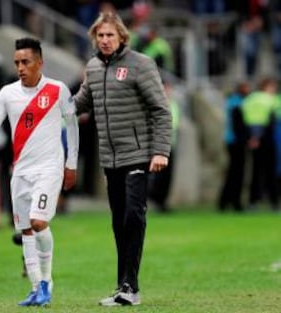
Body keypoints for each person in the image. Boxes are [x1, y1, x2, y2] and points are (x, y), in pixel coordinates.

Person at [0, 38, 79, 306]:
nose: (20, 67)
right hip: (20, 171)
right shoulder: (7, 93)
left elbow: (72, 127)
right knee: (25, 231)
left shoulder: (57, 91)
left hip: (49, 169)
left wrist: (71, 164)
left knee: (38, 222)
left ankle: (47, 281)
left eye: (26, 62)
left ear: (39, 62)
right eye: (17, 63)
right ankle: (37, 289)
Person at [74, 12, 171, 306]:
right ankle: (125, 288)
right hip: (110, 159)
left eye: (110, 35)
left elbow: (161, 110)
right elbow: (81, 102)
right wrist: (53, 103)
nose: (104, 40)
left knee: (133, 216)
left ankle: (130, 286)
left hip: (139, 155)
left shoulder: (141, 65)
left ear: (121, 38)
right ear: (95, 37)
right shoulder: (92, 68)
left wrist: (160, 151)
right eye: (100, 36)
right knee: (119, 222)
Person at [242, 78, 278, 210]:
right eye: (272, 87)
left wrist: (252, 137)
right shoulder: (269, 100)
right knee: (270, 172)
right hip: (265, 138)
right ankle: (273, 201)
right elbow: (268, 118)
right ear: (266, 87)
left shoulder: (250, 99)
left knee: (255, 172)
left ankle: (253, 201)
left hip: (253, 139)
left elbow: (247, 118)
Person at [218, 81, 250, 212]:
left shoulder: (232, 102)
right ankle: (234, 202)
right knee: (237, 173)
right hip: (236, 142)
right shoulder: (238, 103)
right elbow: (239, 126)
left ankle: (226, 201)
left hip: (232, 141)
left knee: (233, 172)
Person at [148, 80, 180, 213]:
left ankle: (162, 202)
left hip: (170, 144)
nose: (168, 92)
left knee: (167, 176)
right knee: (158, 175)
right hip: (158, 146)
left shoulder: (172, 104)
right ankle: (155, 199)